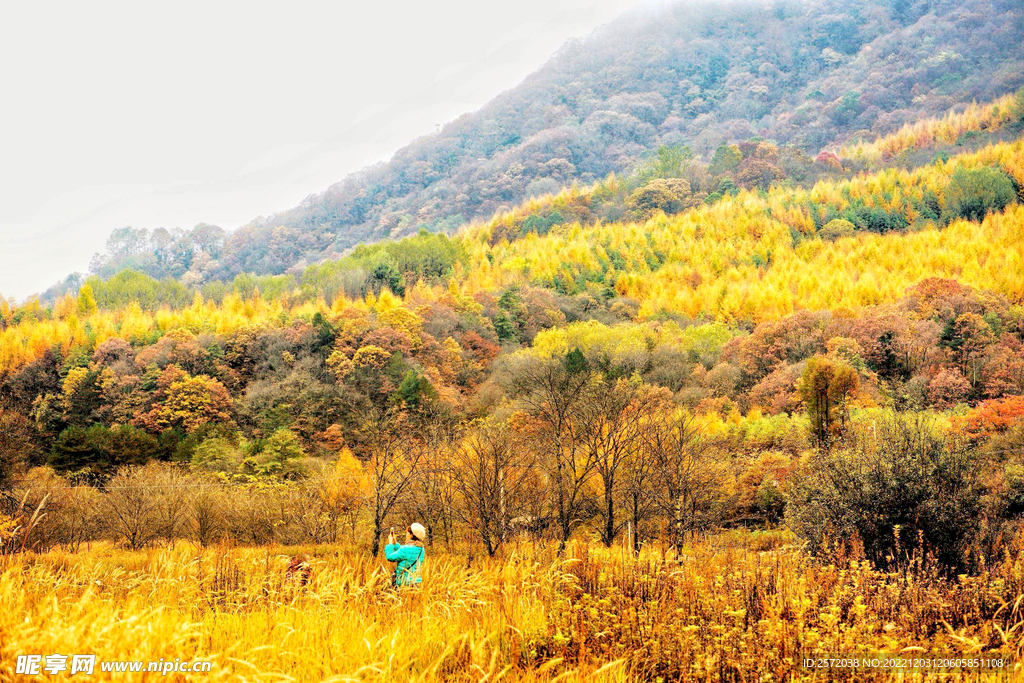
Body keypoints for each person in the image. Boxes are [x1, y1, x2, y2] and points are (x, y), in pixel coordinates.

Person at [384, 522, 426, 587]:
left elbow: (390, 557)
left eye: (407, 533)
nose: (406, 535)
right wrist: (395, 544)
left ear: (411, 535)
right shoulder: (422, 549)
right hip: (416, 582)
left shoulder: (405, 549)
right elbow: (406, 554)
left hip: (404, 583)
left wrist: (390, 544)